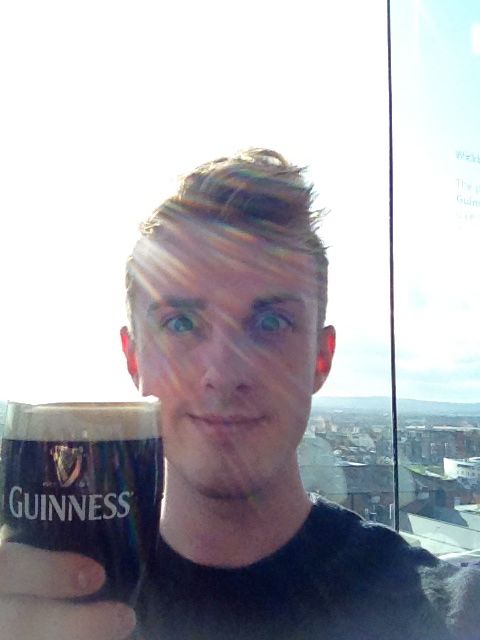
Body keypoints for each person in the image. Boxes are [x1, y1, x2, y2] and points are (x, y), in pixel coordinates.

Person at [0, 148, 479, 640]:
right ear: (134, 359)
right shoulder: (51, 602)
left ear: (321, 358)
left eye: (271, 322)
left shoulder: (452, 615)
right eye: (180, 323)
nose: (223, 374)